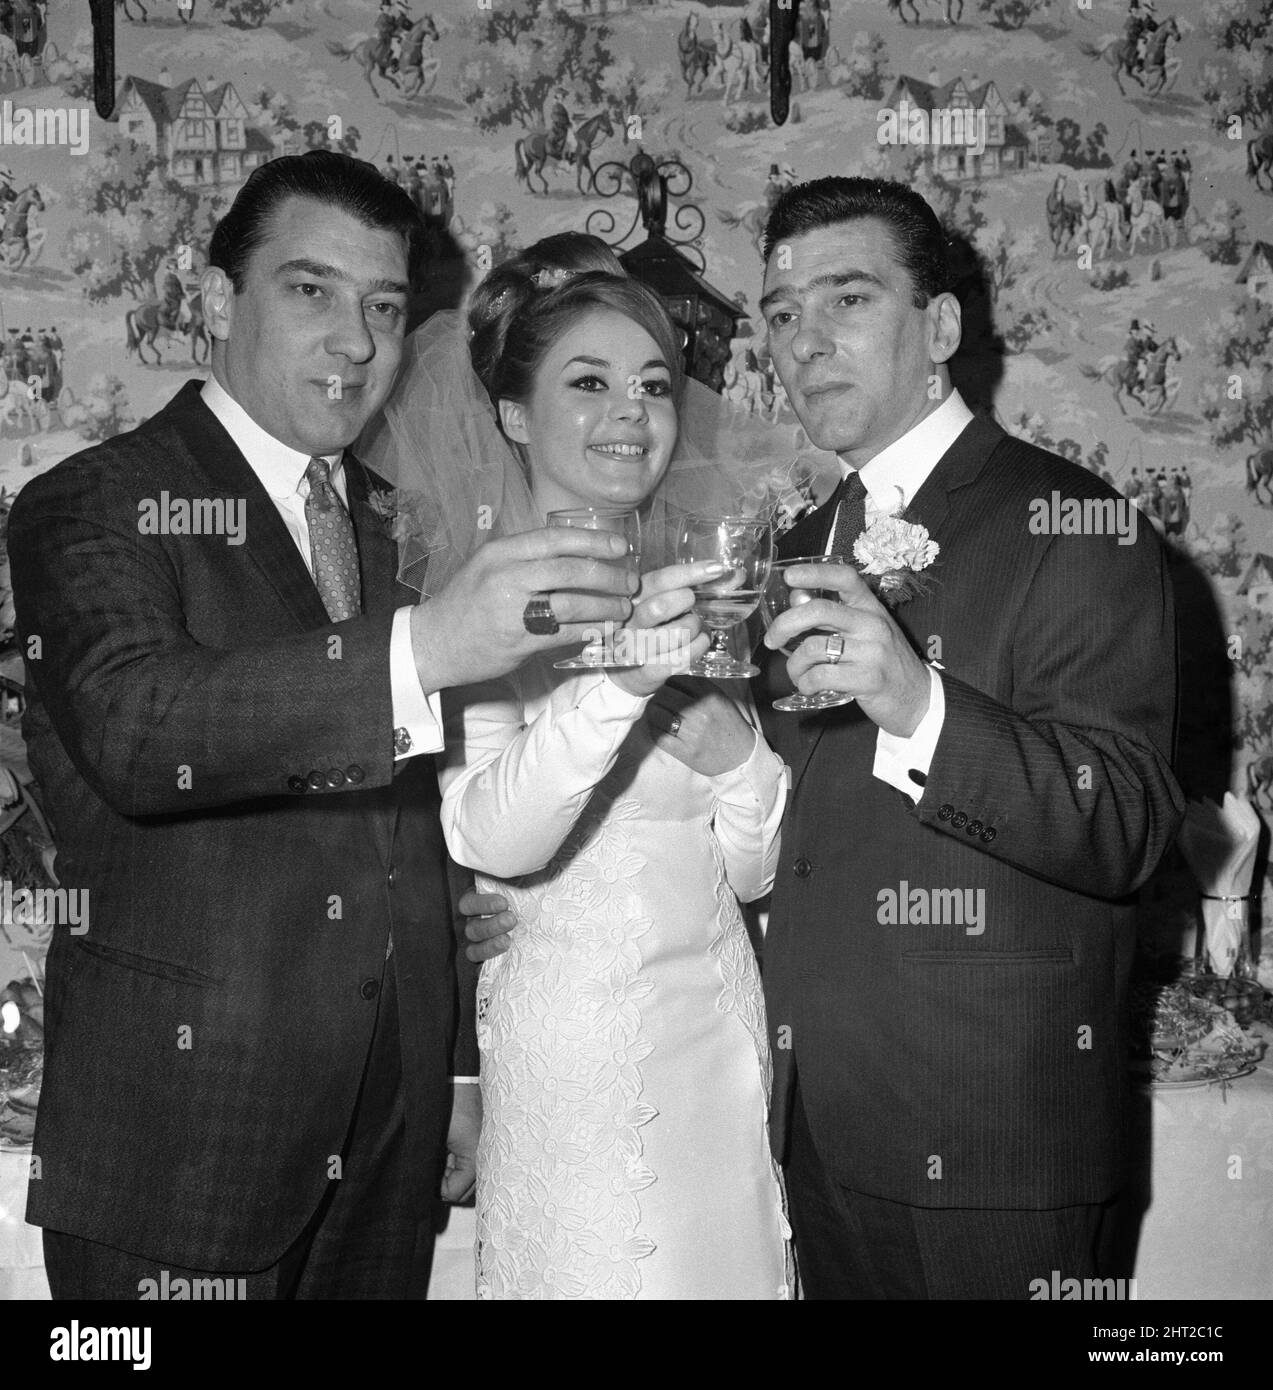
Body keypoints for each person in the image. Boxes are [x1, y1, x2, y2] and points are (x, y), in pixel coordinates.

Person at [7, 151, 639, 1299]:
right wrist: (431, 646)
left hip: (385, 1136)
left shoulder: (394, 522)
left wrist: (448, 1070)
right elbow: (143, 732)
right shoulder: (92, 500)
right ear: (214, 302)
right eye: (311, 291)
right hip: (182, 1152)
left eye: (385, 307)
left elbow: (402, 821)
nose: (356, 340)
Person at [753, 176, 1183, 1299]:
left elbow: (1128, 822)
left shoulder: (1074, 522)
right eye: (783, 312)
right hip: (819, 1129)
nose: (805, 341)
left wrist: (919, 706)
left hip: (994, 1147)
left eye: (846, 299)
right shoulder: (796, 544)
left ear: (939, 327)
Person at [366, 235, 795, 1299]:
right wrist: (625, 681)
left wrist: (743, 759)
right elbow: (491, 836)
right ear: (513, 413)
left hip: (717, 1040)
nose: (632, 412)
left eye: (653, 384)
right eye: (588, 382)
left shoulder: (712, 587)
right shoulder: (475, 604)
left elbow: (759, 872)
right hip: (575, 1046)